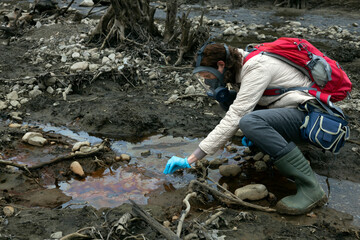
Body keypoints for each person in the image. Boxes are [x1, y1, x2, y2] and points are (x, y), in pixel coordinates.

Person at [163, 39, 329, 215]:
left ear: (221, 65)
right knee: (230, 100)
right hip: (288, 110)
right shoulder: (237, 66)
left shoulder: (256, 67)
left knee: (248, 121)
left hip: (310, 116)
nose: (208, 81)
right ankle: (268, 148)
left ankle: (312, 189)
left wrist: (191, 159)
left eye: (208, 75)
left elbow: (236, 115)